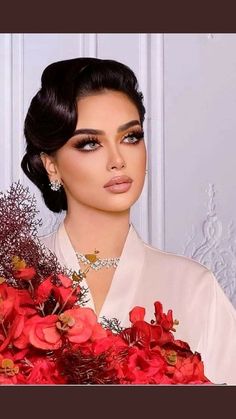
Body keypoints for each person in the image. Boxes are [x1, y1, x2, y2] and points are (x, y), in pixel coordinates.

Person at [21, 57, 236, 385]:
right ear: (51, 164)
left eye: (131, 137)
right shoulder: (14, 287)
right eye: (90, 143)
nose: (118, 160)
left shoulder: (194, 288)